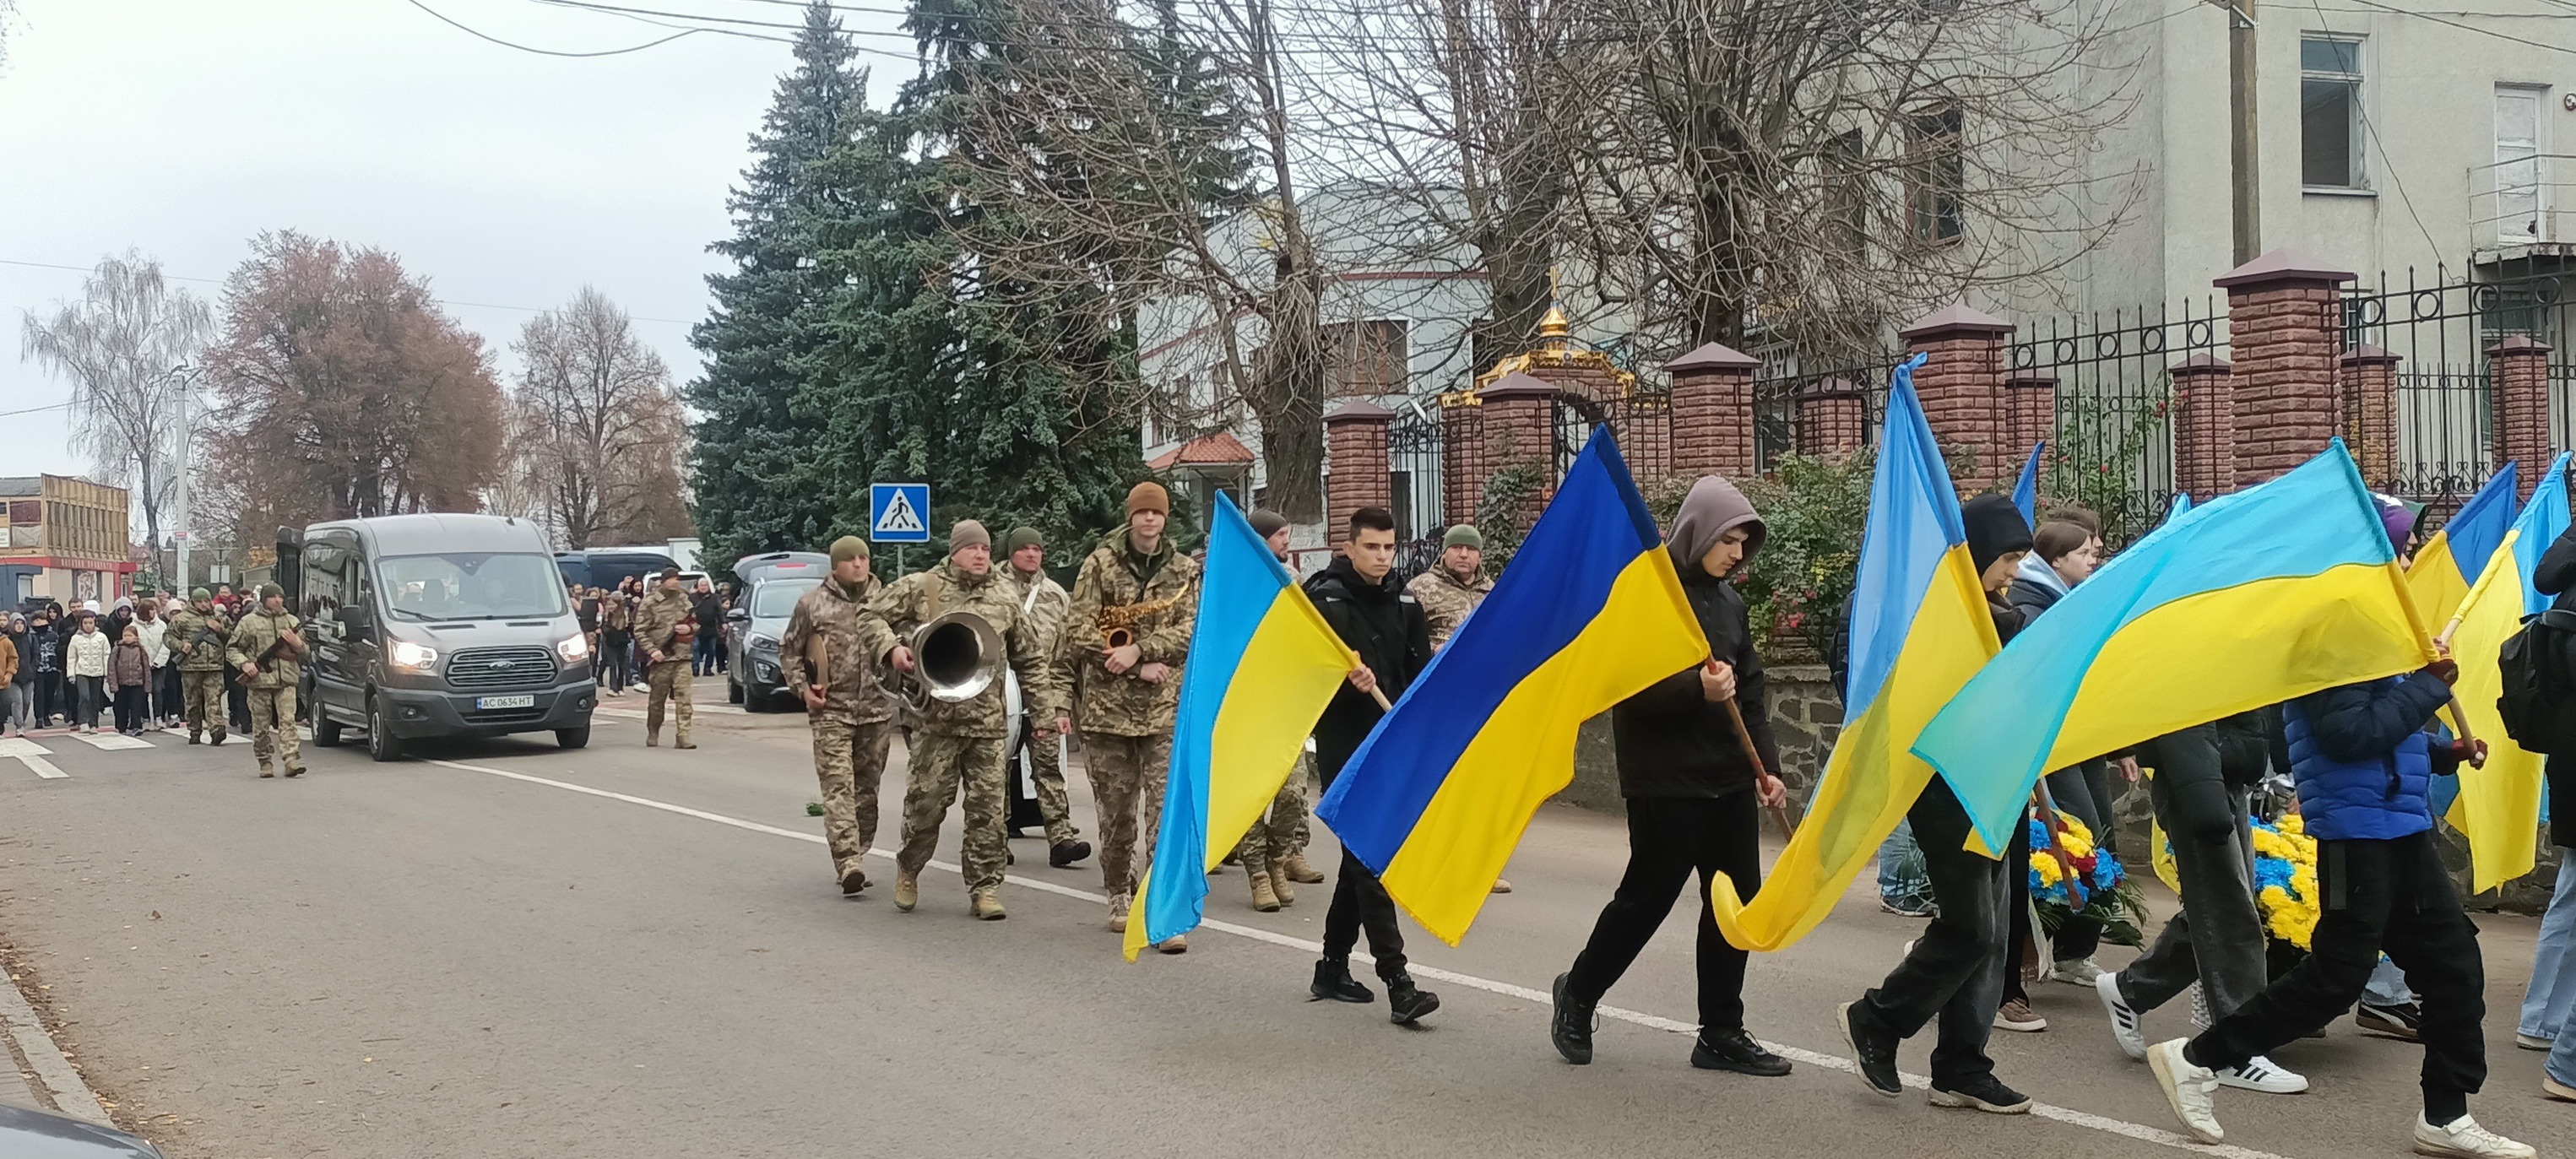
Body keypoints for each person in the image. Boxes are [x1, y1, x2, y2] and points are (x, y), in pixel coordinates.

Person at [2145, 656, 2530, 1157]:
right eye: (2402, 568)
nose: (2405, 573)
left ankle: (2446, 1116)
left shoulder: (2380, 639)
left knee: (2452, 965)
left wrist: (2441, 751)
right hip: (2356, 835)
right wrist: (2428, 688)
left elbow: (2388, 735)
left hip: (2404, 829)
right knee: (2337, 977)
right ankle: (2196, 1058)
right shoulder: (2334, 644)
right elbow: (2346, 736)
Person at [1551, 475, 1792, 1075]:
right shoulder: (1651, 597)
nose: (1737, 554)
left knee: (1732, 905)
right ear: (1698, 532)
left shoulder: (1730, 603)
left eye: (1744, 543)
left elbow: (1752, 692)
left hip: (1729, 779)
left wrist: (1768, 768)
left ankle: (1720, 1031)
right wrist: (1695, 688)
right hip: (1665, 780)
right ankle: (1578, 993)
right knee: (1646, 900)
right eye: (1728, 540)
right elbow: (1624, 690)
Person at [1838, 492, 2035, 1115]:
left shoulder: (2003, 617)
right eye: (2006, 557)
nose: (2014, 571)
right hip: (1938, 783)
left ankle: (1961, 1066)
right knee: (1971, 925)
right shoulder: (1924, 620)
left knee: (1992, 929)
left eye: (2021, 559)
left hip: (1994, 781)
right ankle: (1877, 1017)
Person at [2094, 711, 2309, 1096]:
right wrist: (2205, 804)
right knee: (2230, 915)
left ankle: (2130, 990)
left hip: (2225, 777)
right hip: (2199, 783)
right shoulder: (2196, 654)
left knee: (2217, 909)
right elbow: (2188, 726)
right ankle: (2237, 1051)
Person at [876, 520, 1067, 921]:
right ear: (955, 551)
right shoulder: (923, 587)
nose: (981, 555)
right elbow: (869, 615)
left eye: (985, 548)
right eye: (972, 548)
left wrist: (1044, 713)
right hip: (936, 723)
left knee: (988, 813)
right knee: (925, 806)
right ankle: (909, 869)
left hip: (988, 726)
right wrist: (891, 648)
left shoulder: (1003, 596)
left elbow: (1030, 659)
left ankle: (985, 888)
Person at [1304, 506, 1440, 1025]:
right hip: (1345, 745)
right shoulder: (1325, 600)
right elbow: (1306, 678)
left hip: (1391, 741)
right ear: (1350, 546)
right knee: (1368, 860)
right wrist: (1344, 681)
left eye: (1389, 547)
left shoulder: (1406, 601)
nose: (1382, 557)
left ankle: (1331, 967)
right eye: (1372, 547)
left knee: (1358, 862)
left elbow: (1419, 672)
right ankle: (1398, 982)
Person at [1060, 485, 1200, 947]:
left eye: (1155, 514)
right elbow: (1077, 627)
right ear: (1130, 518)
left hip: (1163, 714)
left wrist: (1144, 648)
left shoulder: (1183, 571)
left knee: (1165, 814)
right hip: (1107, 716)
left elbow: (1190, 629)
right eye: (1140, 513)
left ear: (1164, 519)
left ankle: (1161, 909)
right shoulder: (1100, 564)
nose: (1148, 521)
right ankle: (1120, 893)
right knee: (1117, 815)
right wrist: (1128, 662)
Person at [783, 536, 899, 896]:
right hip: (831, 710)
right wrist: (803, 688)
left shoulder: (888, 601)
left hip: (877, 710)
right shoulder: (811, 605)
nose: (859, 565)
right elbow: (789, 651)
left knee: (868, 790)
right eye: (850, 560)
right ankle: (848, 861)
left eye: (863, 558)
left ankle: (859, 853)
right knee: (838, 788)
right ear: (835, 566)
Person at [1227, 509, 1323, 911]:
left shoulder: (1293, 581)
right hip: (1247, 702)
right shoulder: (1230, 584)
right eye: (1280, 535)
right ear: (1260, 538)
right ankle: (1259, 875)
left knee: (1293, 792)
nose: (1287, 541)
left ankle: (1279, 857)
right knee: (1251, 794)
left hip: (1287, 700)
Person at [2519, 520, 2576, 1100]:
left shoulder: (2563, 587)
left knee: (2569, 890)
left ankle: (2540, 1018)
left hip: (2567, 754)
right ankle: (2551, 1037)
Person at [998, 526, 1091, 869]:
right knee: (996, 768)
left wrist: (1061, 704)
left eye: (1037, 549)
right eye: (1026, 549)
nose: (1033, 555)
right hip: (1000, 690)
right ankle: (995, 839)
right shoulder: (993, 588)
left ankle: (1061, 838)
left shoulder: (1055, 595)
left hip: (1044, 693)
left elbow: (1065, 656)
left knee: (1048, 767)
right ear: (1012, 553)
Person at [224, 584, 306, 778]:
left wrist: (297, 644)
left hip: (286, 679)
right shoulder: (249, 622)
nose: (278, 600)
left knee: (288, 721)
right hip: (259, 680)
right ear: (264, 599)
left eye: (281, 597)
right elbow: (232, 649)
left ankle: (291, 759)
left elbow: (304, 651)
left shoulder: (291, 621)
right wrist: (244, 664)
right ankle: (264, 760)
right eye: (273, 597)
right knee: (260, 726)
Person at [634, 568, 698, 749]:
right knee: (657, 701)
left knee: (684, 698)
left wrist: (690, 629)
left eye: (677, 579)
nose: (675, 582)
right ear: (663, 581)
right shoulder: (650, 602)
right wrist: (652, 651)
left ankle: (683, 736)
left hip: (683, 655)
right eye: (671, 579)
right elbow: (639, 630)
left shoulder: (683, 598)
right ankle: (653, 731)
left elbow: (695, 621)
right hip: (661, 658)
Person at [1405, 523, 1494, 651]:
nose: (1464, 554)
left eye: (1470, 549)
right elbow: (1404, 637)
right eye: (1457, 548)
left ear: (1480, 557)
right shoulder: (1421, 587)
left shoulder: (1492, 591)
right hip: (1439, 665)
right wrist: (1434, 650)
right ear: (1444, 553)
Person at [166, 589, 232, 745]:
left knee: (214, 699)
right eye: (200, 601)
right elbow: (169, 636)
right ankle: (194, 730)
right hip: (191, 666)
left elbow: (233, 636)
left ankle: (217, 729)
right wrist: (181, 646)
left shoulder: (219, 618)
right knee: (192, 701)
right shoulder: (181, 619)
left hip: (214, 666)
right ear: (193, 602)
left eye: (206, 601)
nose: (204, 604)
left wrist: (219, 629)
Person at [65, 610, 109, 735]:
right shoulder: (75, 638)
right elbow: (71, 657)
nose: (88, 625)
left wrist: (107, 672)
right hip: (81, 671)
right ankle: (83, 722)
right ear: (81, 624)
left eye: (91, 622)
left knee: (95, 699)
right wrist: (71, 674)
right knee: (84, 696)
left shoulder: (102, 637)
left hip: (97, 672)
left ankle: (93, 723)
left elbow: (106, 655)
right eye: (86, 623)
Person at [133, 598, 168, 731]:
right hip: (142, 665)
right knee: (143, 692)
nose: (154, 612)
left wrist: (158, 661)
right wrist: (144, 662)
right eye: (151, 609)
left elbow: (166, 645)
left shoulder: (162, 625)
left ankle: (159, 717)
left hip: (158, 665)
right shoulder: (135, 626)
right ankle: (145, 719)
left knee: (158, 691)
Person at [109, 623, 149, 736]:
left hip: (137, 683)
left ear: (136, 637)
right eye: (125, 635)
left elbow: (146, 668)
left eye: (130, 635)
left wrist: (147, 685)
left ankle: (136, 726)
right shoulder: (118, 649)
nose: (127, 638)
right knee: (121, 706)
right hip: (122, 683)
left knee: (136, 706)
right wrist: (113, 684)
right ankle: (121, 726)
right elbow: (112, 666)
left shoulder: (141, 650)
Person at [599, 595, 634, 697]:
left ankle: (620, 687)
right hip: (610, 642)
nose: (610, 606)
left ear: (618, 605)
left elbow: (630, 626)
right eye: (609, 604)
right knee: (612, 665)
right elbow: (602, 627)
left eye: (612, 604)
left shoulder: (624, 614)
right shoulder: (606, 615)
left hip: (622, 642)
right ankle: (612, 688)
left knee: (622, 664)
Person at [692, 579, 726, 676]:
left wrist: (723, 622)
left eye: (705, 585)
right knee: (695, 648)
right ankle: (695, 668)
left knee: (711, 650)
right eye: (701, 585)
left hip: (710, 628)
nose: (703, 587)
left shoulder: (715, 598)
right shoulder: (692, 598)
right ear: (698, 586)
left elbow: (720, 611)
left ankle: (708, 668)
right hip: (696, 629)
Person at [0, 615, 19, 738]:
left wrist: (9, 673)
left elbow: (13, 659)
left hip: (2, 680)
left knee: (3, 705)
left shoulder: (6, 642)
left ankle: (1, 726)